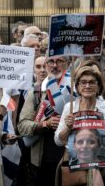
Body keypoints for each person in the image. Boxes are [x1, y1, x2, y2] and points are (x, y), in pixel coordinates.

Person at [55, 65, 105, 186]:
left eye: (92, 82)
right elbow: (58, 141)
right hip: (73, 167)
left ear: (99, 86)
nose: (87, 86)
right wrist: (67, 128)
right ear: (78, 87)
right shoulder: (69, 108)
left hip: (102, 167)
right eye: (83, 82)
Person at [17, 55, 70, 186]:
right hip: (43, 160)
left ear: (68, 64)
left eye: (59, 61)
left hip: (70, 159)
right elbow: (22, 125)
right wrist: (44, 124)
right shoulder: (36, 92)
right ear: (46, 65)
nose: (54, 65)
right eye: (51, 61)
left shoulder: (76, 91)